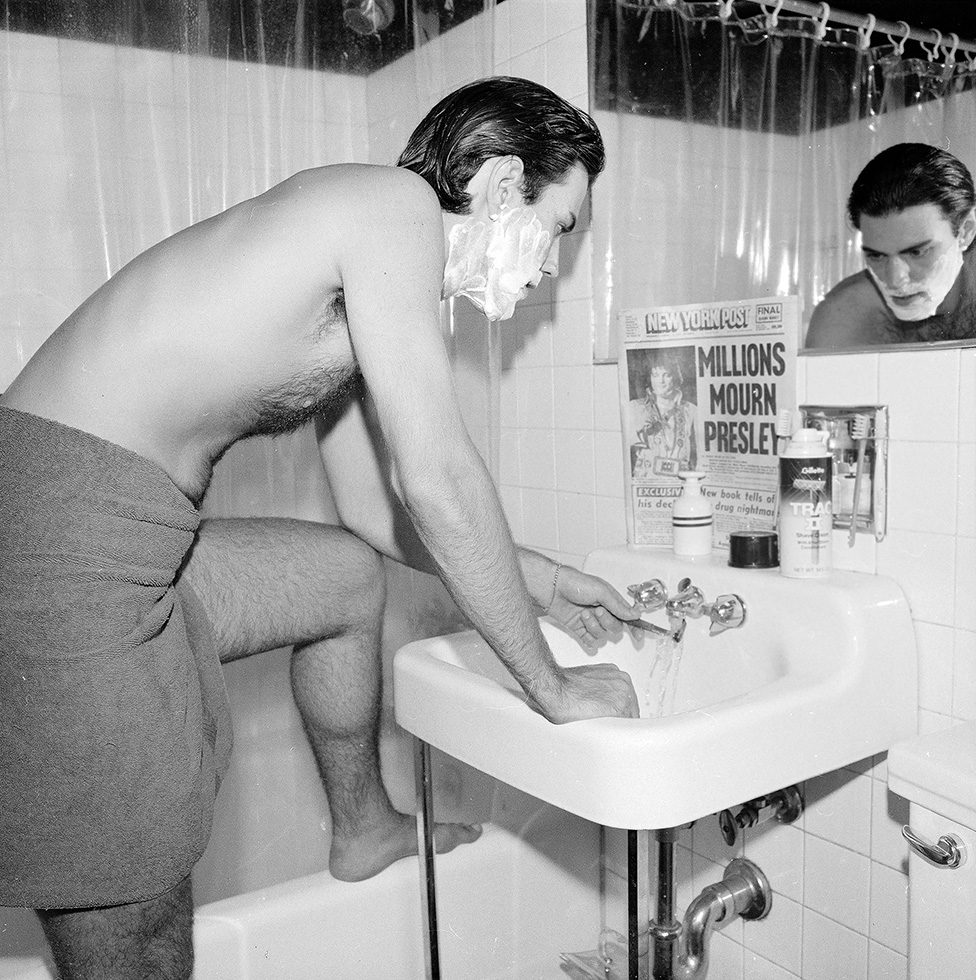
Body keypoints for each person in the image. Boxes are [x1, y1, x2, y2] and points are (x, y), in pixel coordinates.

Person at [0, 76, 644, 980]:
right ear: (503, 186)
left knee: (341, 578)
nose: (553, 265)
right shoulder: (393, 209)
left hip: (136, 538)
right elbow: (439, 478)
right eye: (562, 227)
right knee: (135, 919)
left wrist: (543, 579)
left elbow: (376, 516)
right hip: (45, 538)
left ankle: (364, 828)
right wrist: (550, 686)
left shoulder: (366, 272)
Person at [805, 142, 976, 349]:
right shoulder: (843, 317)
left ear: (966, 231)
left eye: (917, 252)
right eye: (877, 256)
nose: (895, 281)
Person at [626, 350, 697, 479]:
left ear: (675, 377)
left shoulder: (691, 410)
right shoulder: (635, 408)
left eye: (666, 375)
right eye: (655, 375)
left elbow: (697, 458)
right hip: (647, 486)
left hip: (680, 486)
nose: (660, 381)